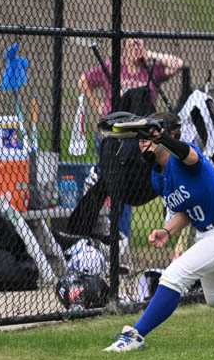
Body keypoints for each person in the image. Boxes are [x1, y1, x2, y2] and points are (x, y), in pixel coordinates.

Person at [103, 112, 214, 352]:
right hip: (208, 235)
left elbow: (189, 156)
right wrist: (167, 230)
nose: (143, 142)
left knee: (173, 276)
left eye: (148, 137)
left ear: (168, 135)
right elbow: (187, 210)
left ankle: (136, 335)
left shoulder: (184, 157)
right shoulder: (158, 176)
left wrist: (162, 137)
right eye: (140, 139)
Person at [78, 38, 184, 239]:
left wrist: (150, 55)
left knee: (130, 185)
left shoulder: (150, 70)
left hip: (141, 140)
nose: (135, 48)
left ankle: (122, 236)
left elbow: (178, 64)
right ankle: (102, 235)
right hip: (114, 137)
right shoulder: (113, 68)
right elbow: (83, 81)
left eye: (139, 45)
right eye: (131, 45)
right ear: (124, 49)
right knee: (109, 183)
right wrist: (99, 106)